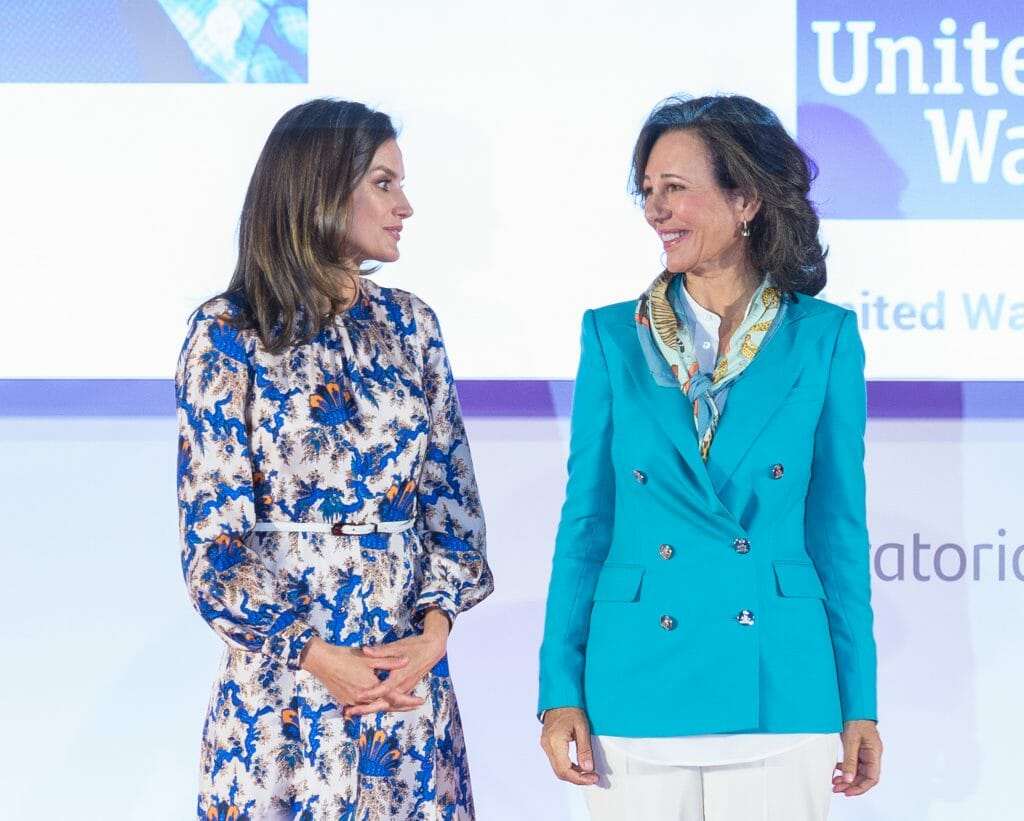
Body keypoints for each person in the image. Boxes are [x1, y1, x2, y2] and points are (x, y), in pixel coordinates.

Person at [538, 94, 882, 820]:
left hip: (779, 680)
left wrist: (860, 700)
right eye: (649, 191)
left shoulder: (824, 338)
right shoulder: (610, 336)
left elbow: (838, 531)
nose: (656, 210)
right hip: (635, 675)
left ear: (747, 198)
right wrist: (558, 688)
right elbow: (586, 524)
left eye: (677, 188)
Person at [176, 98, 493, 820]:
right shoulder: (228, 333)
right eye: (384, 183)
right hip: (285, 698)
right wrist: (323, 659)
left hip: (405, 687)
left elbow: (452, 506)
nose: (405, 205)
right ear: (319, 188)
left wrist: (431, 635)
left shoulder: (412, 325)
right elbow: (214, 552)